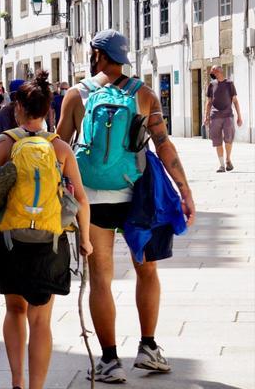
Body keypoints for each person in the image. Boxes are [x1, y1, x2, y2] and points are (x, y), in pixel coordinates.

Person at [57, 29, 196, 382]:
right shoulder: (143, 94)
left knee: (101, 278)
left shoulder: (76, 95)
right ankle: (148, 348)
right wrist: (185, 190)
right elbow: (163, 145)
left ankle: (109, 361)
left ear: (98, 55)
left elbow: (59, 149)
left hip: (93, 200)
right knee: (146, 271)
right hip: (137, 197)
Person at [0, 71, 92, 389]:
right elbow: (82, 200)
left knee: (15, 309)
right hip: (50, 241)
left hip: (9, 240)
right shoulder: (60, 149)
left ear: (17, 108)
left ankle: (17, 382)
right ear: (48, 111)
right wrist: (85, 240)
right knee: (40, 319)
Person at [205, 65, 243, 172]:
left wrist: (239, 116)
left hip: (228, 116)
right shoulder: (211, 85)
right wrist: (206, 117)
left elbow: (235, 101)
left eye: (213, 72)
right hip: (215, 116)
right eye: (212, 72)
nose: (212, 74)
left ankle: (228, 160)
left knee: (228, 139)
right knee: (217, 141)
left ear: (219, 71)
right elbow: (209, 102)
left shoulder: (229, 84)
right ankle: (222, 165)